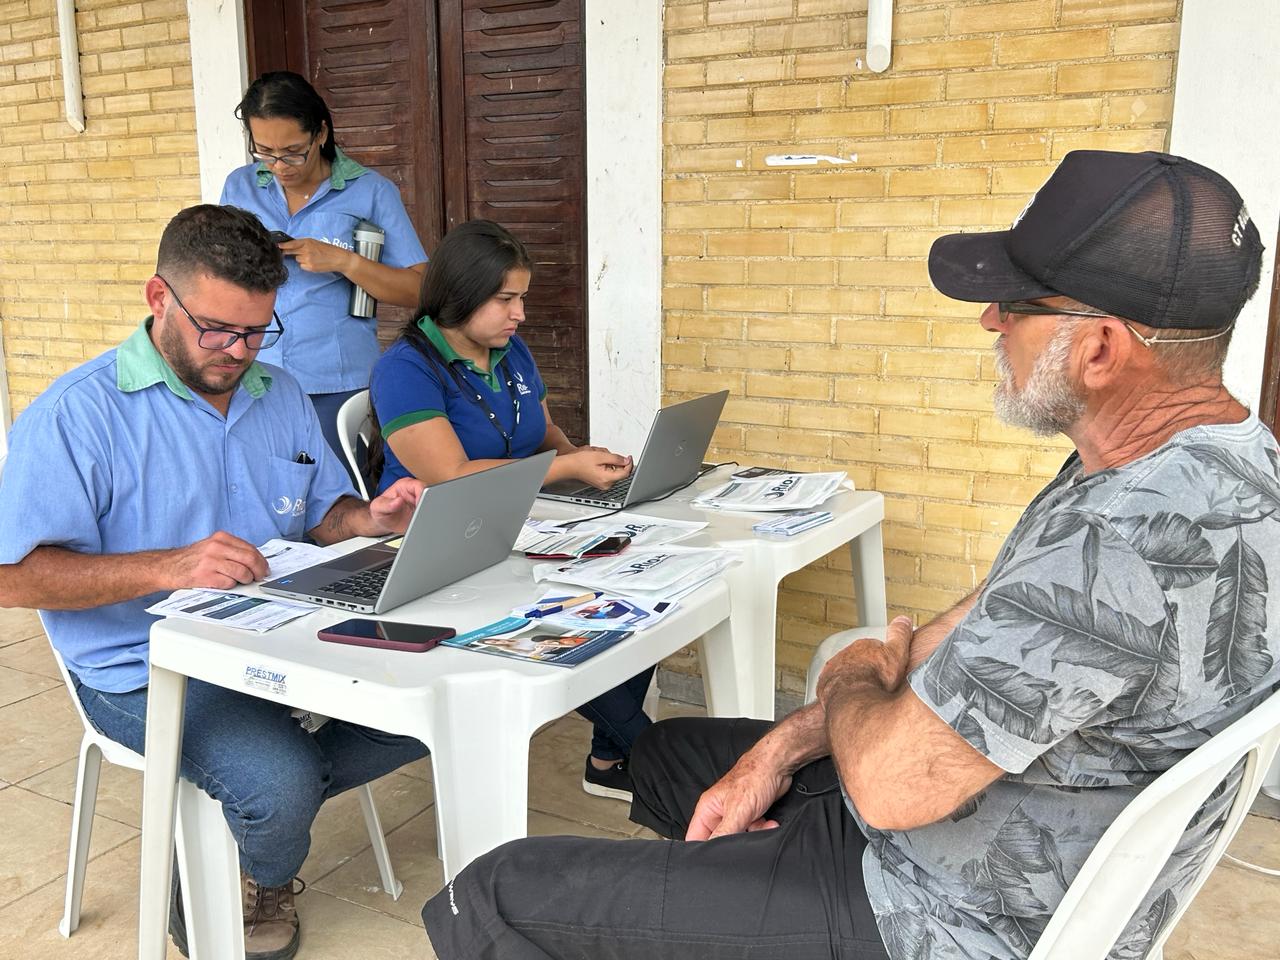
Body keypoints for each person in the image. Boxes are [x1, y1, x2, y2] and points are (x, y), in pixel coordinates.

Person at [422, 150, 1280, 960]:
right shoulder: (1218, 462)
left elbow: (890, 785)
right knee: (667, 754)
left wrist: (849, 680)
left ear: (1099, 348)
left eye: (1016, 306)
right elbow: (991, 606)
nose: (990, 320)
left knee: (491, 893)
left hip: (940, 914)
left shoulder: (1121, 542)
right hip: (982, 818)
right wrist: (786, 745)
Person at [0, 205, 430, 960]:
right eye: (217, 330)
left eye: (258, 330)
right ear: (157, 297)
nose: (238, 352)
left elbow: (319, 515)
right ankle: (242, 861)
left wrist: (366, 519)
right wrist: (167, 567)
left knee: (429, 704)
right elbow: (11, 577)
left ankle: (233, 822)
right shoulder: (77, 415)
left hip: (281, 633)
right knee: (278, 784)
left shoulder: (281, 391)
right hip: (142, 663)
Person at [369, 218, 647, 801]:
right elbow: (449, 478)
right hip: (440, 543)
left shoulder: (509, 348)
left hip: (522, 523)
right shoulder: (406, 370)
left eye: (521, 297)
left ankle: (613, 754)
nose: (520, 313)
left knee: (637, 589)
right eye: (506, 299)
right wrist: (565, 470)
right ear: (460, 296)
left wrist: (583, 461)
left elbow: (541, 430)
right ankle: (660, 761)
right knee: (575, 621)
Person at [220, 70, 428, 461]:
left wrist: (344, 261)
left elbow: (420, 288)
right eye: (265, 151)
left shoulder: (371, 191)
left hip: (337, 381)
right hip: (252, 372)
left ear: (320, 133)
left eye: (293, 151)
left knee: (341, 498)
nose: (280, 165)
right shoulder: (240, 187)